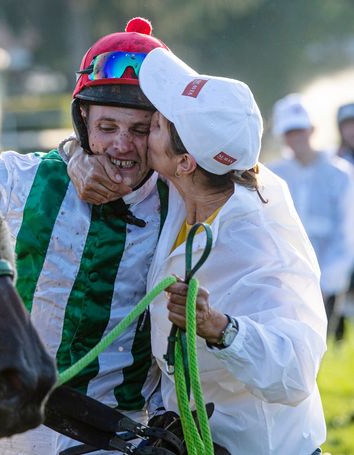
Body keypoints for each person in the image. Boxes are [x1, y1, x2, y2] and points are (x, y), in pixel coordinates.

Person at [0, 17, 170, 454]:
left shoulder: (181, 205)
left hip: (119, 435)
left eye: (140, 130)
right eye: (106, 128)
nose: (122, 145)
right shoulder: (17, 179)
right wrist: (70, 152)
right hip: (10, 433)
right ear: (82, 119)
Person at [138, 48, 326, 454]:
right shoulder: (190, 188)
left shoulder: (262, 244)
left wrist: (220, 329)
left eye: (155, 125)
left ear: (186, 162)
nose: (144, 128)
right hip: (196, 437)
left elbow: (296, 373)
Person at [269, 94, 354, 342]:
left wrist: (327, 282)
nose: (296, 138)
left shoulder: (342, 175)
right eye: (290, 132)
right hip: (282, 282)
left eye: (300, 130)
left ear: (312, 130)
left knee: (318, 346)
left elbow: (347, 234)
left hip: (326, 283)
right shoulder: (273, 175)